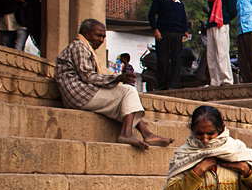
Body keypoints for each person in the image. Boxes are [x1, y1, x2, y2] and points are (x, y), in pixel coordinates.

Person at [55, 19, 172, 150]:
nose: (101, 40)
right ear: (85, 33)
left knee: (127, 99)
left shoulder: (85, 48)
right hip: (78, 93)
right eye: (98, 35)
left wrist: (116, 78)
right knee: (128, 91)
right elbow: (87, 76)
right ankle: (127, 134)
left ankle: (147, 134)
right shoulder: (79, 46)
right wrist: (117, 78)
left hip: (81, 92)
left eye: (103, 37)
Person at [148, 0, 190, 90]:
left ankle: (174, 85)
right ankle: (162, 85)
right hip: (163, 33)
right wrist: (155, 30)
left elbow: (183, 19)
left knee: (177, 59)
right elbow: (151, 15)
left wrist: (185, 31)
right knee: (163, 59)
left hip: (177, 34)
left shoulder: (180, 4)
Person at [203, 0, 237, 86]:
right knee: (211, 55)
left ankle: (226, 79)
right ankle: (215, 80)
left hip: (221, 25)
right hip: (211, 25)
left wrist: (224, 19)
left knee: (222, 53)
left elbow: (233, 11)